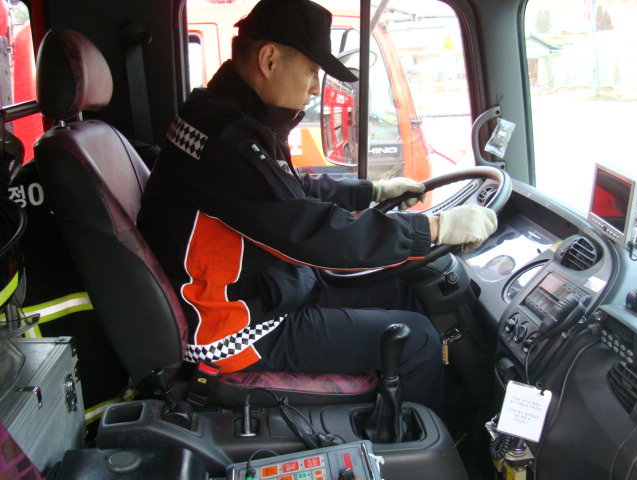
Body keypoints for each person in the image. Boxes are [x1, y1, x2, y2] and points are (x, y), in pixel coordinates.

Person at [137, 0, 497, 414]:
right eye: (312, 71)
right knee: (415, 338)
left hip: (267, 289)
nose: (314, 88)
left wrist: (372, 191)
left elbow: (286, 191)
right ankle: (429, 442)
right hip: (237, 328)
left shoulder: (223, 117)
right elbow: (310, 234)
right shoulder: (226, 139)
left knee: (405, 290)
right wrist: (431, 229)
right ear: (269, 59)